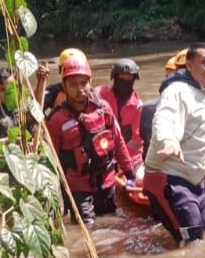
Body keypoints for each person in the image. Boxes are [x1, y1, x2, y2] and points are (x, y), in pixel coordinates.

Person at [45, 55, 141, 225]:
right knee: (86, 228)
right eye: (73, 85)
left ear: (91, 82)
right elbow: (53, 158)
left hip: (107, 182)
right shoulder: (57, 119)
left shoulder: (104, 108)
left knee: (111, 225)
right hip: (78, 187)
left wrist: (129, 173)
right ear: (64, 86)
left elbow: (118, 142)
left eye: (83, 83)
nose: (79, 89)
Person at [143, 43, 205, 245]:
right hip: (170, 178)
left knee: (201, 237)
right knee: (191, 242)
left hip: (195, 182)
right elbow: (165, 117)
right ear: (189, 65)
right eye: (204, 63)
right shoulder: (177, 91)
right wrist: (169, 140)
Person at [96, 58, 144, 171]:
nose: (125, 81)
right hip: (102, 151)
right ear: (115, 77)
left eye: (129, 78)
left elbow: (137, 141)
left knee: (140, 179)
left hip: (131, 158)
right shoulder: (100, 94)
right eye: (121, 77)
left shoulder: (138, 106)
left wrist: (121, 158)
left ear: (134, 79)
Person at [35, 48, 88, 119]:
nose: (74, 72)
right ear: (61, 71)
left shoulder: (90, 92)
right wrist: (41, 82)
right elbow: (36, 108)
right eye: (69, 69)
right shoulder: (55, 90)